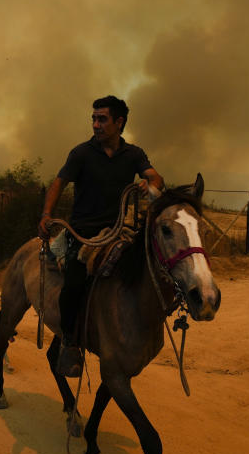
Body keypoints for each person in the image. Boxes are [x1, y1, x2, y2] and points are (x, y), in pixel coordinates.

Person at [38, 95, 164, 377]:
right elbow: (59, 183)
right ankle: (70, 342)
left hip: (118, 231)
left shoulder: (133, 154)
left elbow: (157, 178)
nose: (95, 124)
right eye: (93, 119)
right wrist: (46, 215)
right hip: (81, 234)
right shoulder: (81, 153)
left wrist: (148, 183)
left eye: (102, 119)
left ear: (119, 123)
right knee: (73, 284)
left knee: (142, 271)